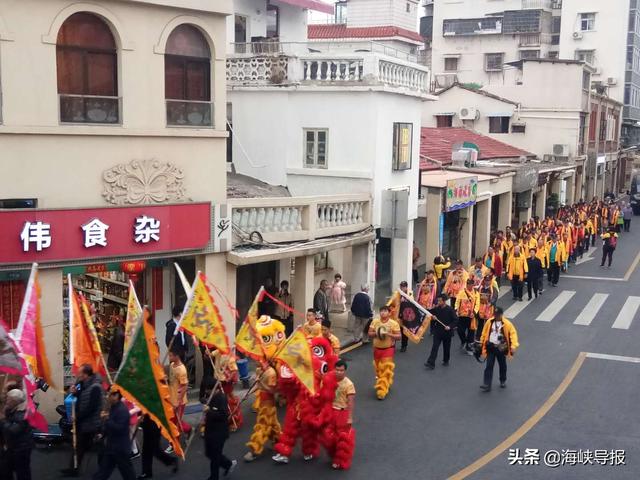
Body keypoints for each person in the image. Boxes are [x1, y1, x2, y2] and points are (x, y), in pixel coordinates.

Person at [61, 364, 104, 477]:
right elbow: (81, 396)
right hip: (85, 422)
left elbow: (91, 407)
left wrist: (78, 416)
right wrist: (75, 392)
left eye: (79, 373)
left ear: (85, 375)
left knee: (98, 447)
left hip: (92, 423)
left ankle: (104, 470)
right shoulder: (84, 384)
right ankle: (73, 469)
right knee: (80, 446)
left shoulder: (95, 387)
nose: (77, 375)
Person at [91, 390, 136, 480]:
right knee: (103, 472)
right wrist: (102, 435)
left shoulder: (122, 410)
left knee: (128, 474)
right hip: (112, 447)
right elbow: (110, 426)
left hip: (120, 448)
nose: (107, 396)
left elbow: (119, 428)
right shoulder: (114, 407)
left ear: (116, 396)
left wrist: (107, 419)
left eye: (109, 394)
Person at [323, 359, 355, 470]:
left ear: (345, 371)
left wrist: (350, 417)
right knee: (328, 435)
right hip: (331, 411)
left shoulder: (349, 384)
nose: (339, 372)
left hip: (342, 412)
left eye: (341, 370)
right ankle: (333, 454)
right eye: (337, 370)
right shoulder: (330, 379)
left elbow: (351, 402)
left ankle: (339, 459)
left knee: (341, 438)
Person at [479, 307, 519, 392]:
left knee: (502, 365)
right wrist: (481, 342)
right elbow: (484, 332)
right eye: (495, 315)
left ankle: (502, 380)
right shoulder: (489, 322)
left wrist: (513, 346)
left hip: (501, 348)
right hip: (491, 347)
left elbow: (513, 334)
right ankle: (487, 384)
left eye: (497, 315)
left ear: (501, 315)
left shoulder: (507, 324)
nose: (496, 316)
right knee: (489, 366)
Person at [203, 386, 237, 480]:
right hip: (210, 431)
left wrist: (209, 411)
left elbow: (223, 416)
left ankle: (214, 477)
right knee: (209, 453)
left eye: (208, 389)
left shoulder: (221, 398)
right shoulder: (210, 396)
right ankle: (228, 464)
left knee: (215, 456)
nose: (207, 391)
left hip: (219, 432)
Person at [368, 305, 401, 400]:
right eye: (381, 311)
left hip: (388, 349)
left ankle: (381, 391)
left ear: (389, 313)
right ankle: (385, 383)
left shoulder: (393, 323)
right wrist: (377, 333)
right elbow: (369, 333)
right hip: (377, 349)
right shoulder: (375, 322)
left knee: (385, 368)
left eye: (385, 311)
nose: (383, 313)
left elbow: (399, 336)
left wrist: (388, 334)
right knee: (378, 370)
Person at [0, 389, 32, 480]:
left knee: (22, 473)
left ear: (15, 401)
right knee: (5, 471)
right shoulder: (10, 410)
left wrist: (2, 419)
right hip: (10, 447)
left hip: (21, 449)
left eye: (9, 399)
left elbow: (12, 431)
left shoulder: (23, 414)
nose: (7, 401)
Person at [424, 294, 458, 370]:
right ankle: (431, 363)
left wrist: (450, 326)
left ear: (444, 301)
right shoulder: (437, 308)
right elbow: (430, 314)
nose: (438, 302)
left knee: (446, 348)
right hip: (438, 331)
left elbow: (455, 320)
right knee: (435, 347)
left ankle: (446, 360)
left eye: (440, 301)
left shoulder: (450, 310)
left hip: (447, 332)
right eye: (438, 300)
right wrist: (433, 317)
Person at [168, 349, 190, 445]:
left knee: (175, 423)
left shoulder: (182, 370)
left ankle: (174, 443)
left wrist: (178, 401)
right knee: (172, 421)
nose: (169, 357)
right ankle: (188, 429)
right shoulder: (172, 366)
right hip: (171, 398)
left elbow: (185, 386)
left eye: (171, 356)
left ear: (177, 356)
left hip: (178, 401)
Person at [454, 279, 479, 354]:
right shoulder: (461, 292)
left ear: (473, 285)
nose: (469, 286)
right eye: (468, 284)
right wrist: (456, 310)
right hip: (462, 316)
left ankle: (469, 348)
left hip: (471, 317)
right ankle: (464, 341)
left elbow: (477, 304)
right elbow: (457, 302)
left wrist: (474, 313)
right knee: (460, 330)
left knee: (471, 332)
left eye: (471, 284)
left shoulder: (476, 293)